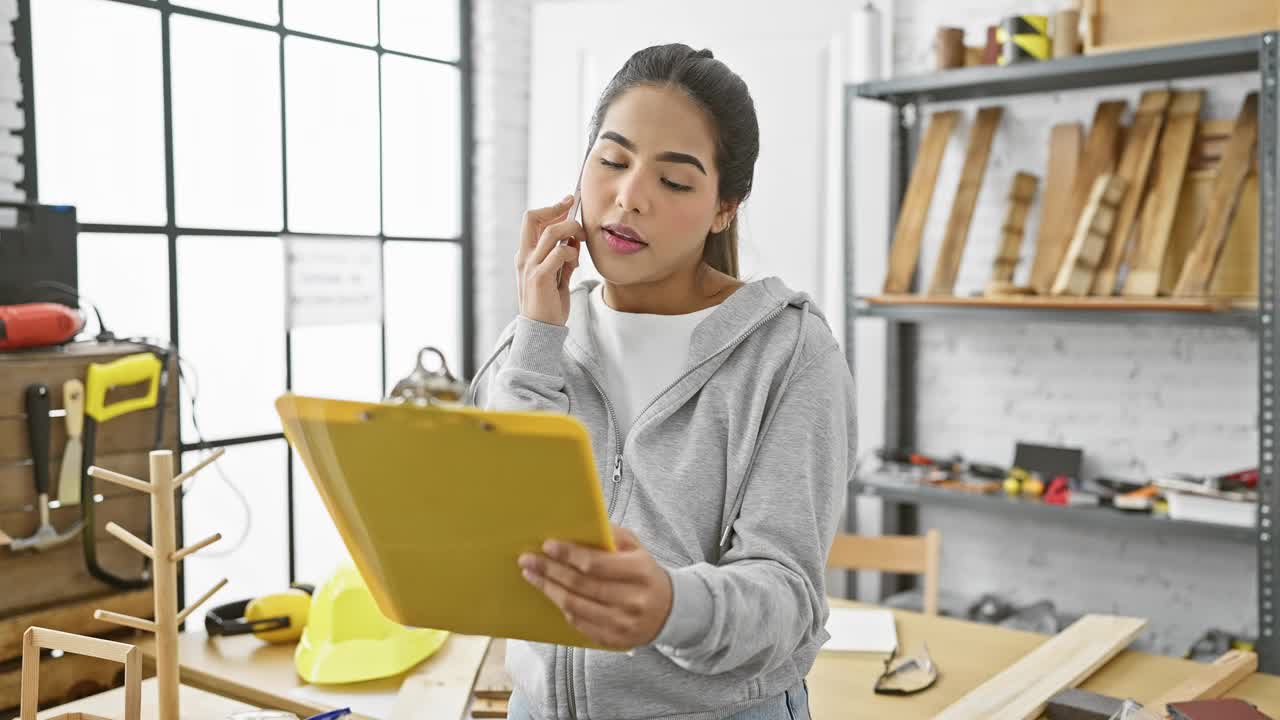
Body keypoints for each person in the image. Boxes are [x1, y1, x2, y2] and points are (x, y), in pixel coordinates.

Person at [468, 43, 856, 720]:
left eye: (674, 182)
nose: (628, 198)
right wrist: (535, 337)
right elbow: (498, 529)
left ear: (724, 209)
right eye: (612, 161)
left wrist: (671, 609)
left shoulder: (791, 354)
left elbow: (788, 596)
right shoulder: (534, 334)